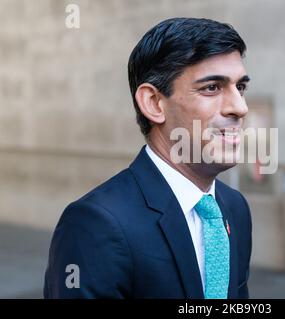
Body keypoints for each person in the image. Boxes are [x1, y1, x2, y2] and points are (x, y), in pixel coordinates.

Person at [44, 17, 252, 299]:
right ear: (154, 103)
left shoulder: (234, 208)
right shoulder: (95, 224)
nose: (240, 107)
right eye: (212, 87)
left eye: (240, 87)